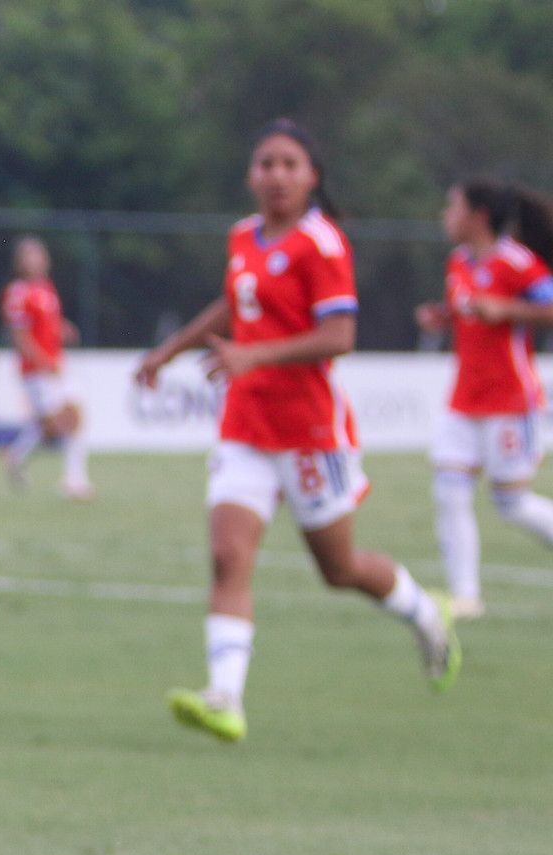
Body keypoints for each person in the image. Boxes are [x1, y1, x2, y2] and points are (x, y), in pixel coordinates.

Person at [136, 119, 460, 744]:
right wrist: (170, 350)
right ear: (250, 176)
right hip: (245, 426)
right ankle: (224, 698)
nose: (277, 175)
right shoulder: (242, 237)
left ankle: (426, 611)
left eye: (289, 163)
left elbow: (339, 337)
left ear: (312, 176)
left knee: (338, 569)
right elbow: (237, 301)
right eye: (266, 164)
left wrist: (253, 357)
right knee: (229, 557)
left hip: (311, 432)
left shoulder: (323, 244)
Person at [414, 178, 553, 620]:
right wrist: (442, 316)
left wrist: (508, 310)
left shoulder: (518, 262)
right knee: (448, 490)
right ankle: (466, 597)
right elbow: (466, 311)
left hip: (511, 401)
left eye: (451, 207)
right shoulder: (458, 261)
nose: (444, 216)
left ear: (478, 216)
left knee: (511, 503)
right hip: (464, 400)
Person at [1, 237, 93, 498]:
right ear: (20, 262)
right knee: (53, 423)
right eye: (30, 255)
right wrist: (43, 361)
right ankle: (18, 456)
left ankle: (73, 480)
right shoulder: (18, 293)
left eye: (39, 254)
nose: (37, 260)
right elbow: (20, 335)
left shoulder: (46, 288)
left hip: (55, 363)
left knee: (73, 415)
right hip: (36, 369)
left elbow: (46, 322)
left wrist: (62, 327)